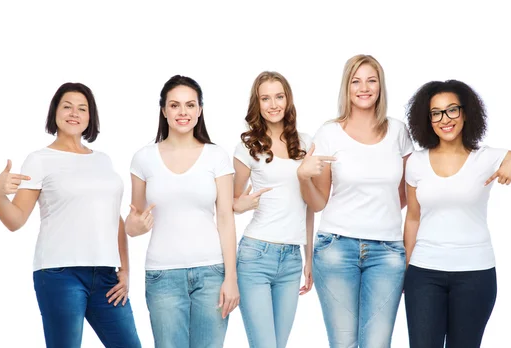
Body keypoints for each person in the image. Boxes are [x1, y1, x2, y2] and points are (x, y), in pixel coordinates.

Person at [403, 79, 511, 348]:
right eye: (436, 113)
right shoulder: (416, 162)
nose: (445, 119)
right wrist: (407, 269)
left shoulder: (486, 158)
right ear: (427, 119)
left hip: (475, 274)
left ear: (465, 113)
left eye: (452, 110)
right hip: (424, 273)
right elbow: (413, 217)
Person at [0, 82, 142, 348]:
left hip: (106, 276)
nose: (74, 113)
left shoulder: (103, 160)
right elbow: (15, 221)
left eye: (82, 108)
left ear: (90, 117)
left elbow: (113, 218)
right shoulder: (39, 159)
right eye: (67, 106)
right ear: (55, 112)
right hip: (60, 274)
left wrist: (125, 269)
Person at [297, 54, 413, 348]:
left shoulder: (398, 132)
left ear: (380, 86)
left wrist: (376, 211)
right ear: (346, 88)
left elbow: (405, 195)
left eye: (371, 80)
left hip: (387, 252)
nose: (364, 88)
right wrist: (303, 177)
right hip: (336, 248)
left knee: (377, 343)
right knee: (344, 343)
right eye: (356, 81)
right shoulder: (329, 133)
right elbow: (319, 201)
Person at [125, 75, 239, 348]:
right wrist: (136, 226)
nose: (183, 112)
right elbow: (132, 219)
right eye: (175, 105)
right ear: (164, 111)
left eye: (190, 105)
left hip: (212, 273)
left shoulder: (216, 156)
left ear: (200, 110)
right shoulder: (143, 158)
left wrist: (231, 278)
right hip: (162, 276)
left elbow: (225, 218)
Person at [233, 71, 314, 348]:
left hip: (291, 259)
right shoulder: (248, 146)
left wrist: (309, 258)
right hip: (256, 255)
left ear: (288, 99)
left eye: (279, 96)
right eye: (265, 98)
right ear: (257, 104)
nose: (273, 104)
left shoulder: (304, 143)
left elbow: (310, 206)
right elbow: (229, 201)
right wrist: (240, 205)